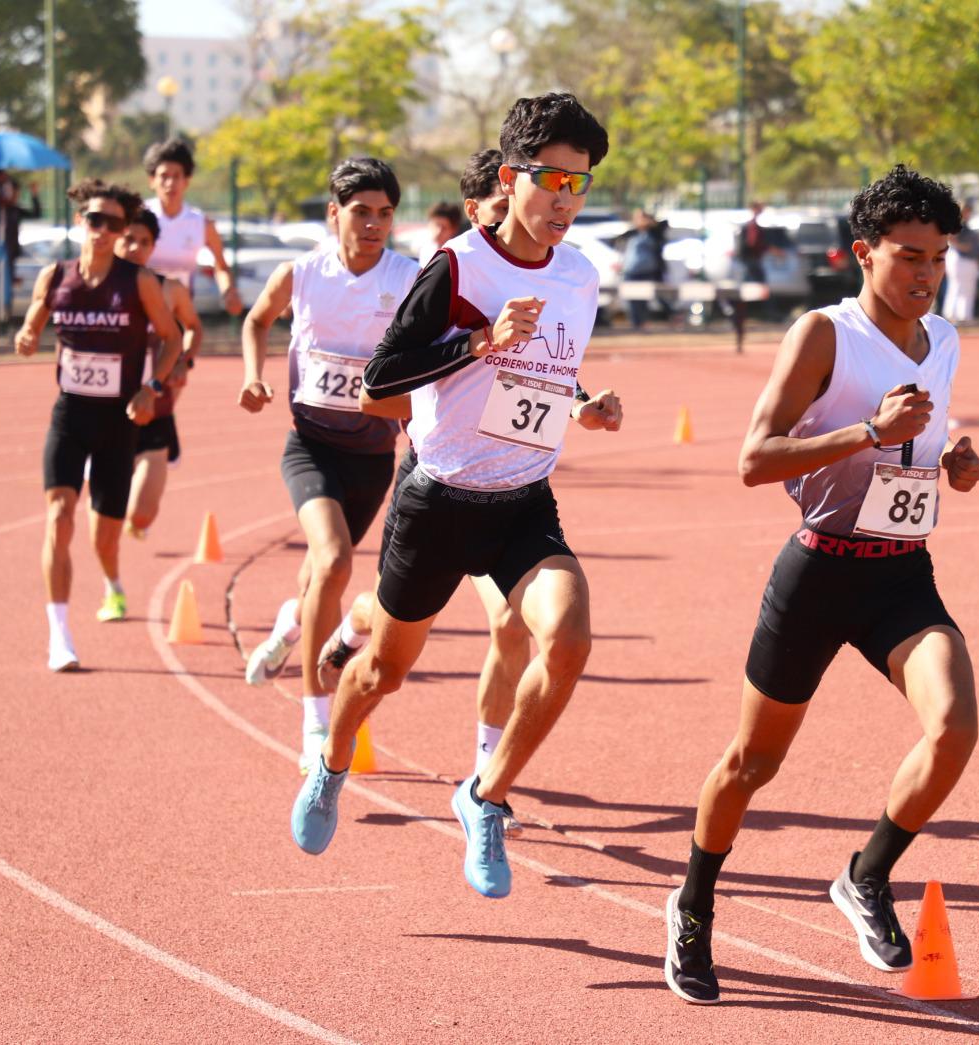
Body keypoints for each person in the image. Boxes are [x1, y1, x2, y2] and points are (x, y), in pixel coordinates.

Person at [662, 165, 979, 1005]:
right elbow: (752, 460)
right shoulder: (824, 334)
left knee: (954, 727)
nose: (924, 273)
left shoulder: (943, 339)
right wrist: (866, 431)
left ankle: (865, 875)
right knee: (750, 763)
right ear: (863, 253)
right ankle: (694, 901)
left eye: (938, 257)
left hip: (902, 573)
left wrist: (954, 460)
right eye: (909, 254)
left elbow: (920, 447)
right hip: (819, 567)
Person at [288, 92, 616, 901]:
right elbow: (378, 384)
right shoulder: (461, 265)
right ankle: (331, 763)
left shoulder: (580, 274)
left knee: (568, 639)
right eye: (552, 181)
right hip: (437, 499)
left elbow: (549, 360)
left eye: (581, 184)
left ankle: (484, 795)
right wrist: (478, 340)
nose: (567, 200)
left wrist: (581, 398)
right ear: (512, 176)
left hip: (523, 504)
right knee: (381, 675)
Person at [237, 157, 420, 771]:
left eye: (385, 214)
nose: (373, 224)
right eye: (361, 212)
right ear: (333, 214)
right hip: (310, 446)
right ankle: (315, 720)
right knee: (335, 559)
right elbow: (256, 318)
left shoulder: (409, 276)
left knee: (322, 577)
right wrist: (253, 377)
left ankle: (291, 625)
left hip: (373, 455)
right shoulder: (303, 272)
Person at [14, 180, 183, 671]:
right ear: (80, 222)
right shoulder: (56, 276)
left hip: (118, 420)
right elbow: (32, 325)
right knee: (58, 517)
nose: (104, 230)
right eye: (95, 220)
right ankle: (60, 635)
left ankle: (112, 582)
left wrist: (151, 387)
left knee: (103, 539)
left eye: (115, 223)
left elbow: (170, 340)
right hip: (69, 416)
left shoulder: (139, 282)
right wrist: (26, 336)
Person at [114, 210, 204, 543]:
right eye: (128, 240)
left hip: (154, 408)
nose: (135, 248)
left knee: (140, 513)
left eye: (144, 242)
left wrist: (184, 362)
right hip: (105, 413)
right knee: (105, 515)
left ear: (153, 248)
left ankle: (133, 519)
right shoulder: (96, 290)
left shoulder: (170, 290)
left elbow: (194, 328)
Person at [141, 139, 243, 315]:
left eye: (176, 176)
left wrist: (228, 292)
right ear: (152, 181)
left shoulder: (201, 224)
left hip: (181, 313)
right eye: (164, 176)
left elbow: (221, 266)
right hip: (141, 310)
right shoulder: (139, 217)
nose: (170, 183)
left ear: (186, 181)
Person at [0, 170, 42, 330]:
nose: (15, 196)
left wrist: (34, 195)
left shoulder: (15, 210)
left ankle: (3, 324)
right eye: (12, 192)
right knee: (0, 288)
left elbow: (36, 214)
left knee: (7, 290)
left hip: (9, 256)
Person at [622, 210, 668, 330]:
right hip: (630, 271)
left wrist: (651, 224)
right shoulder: (632, 233)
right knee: (632, 300)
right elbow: (618, 242)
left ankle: (642, 324)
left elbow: (664, 226)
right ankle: (635, 324)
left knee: (643, 300)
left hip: (646, 272)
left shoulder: (654, 233)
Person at [942, 202, 979, 322]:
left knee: (965, 288)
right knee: (958, 286)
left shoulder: (964, 225)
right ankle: (954, 315)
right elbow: (950, 238)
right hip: (959, 257)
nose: (968, 214)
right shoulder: (955, 224)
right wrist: (962, 246)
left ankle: (963, 315)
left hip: (966, 258)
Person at [420, 200, 465, 265]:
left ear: (454, 229)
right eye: (436, 225)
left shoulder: (459, 255)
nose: (438, 231)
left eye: (444, 227)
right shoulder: (425, 249)